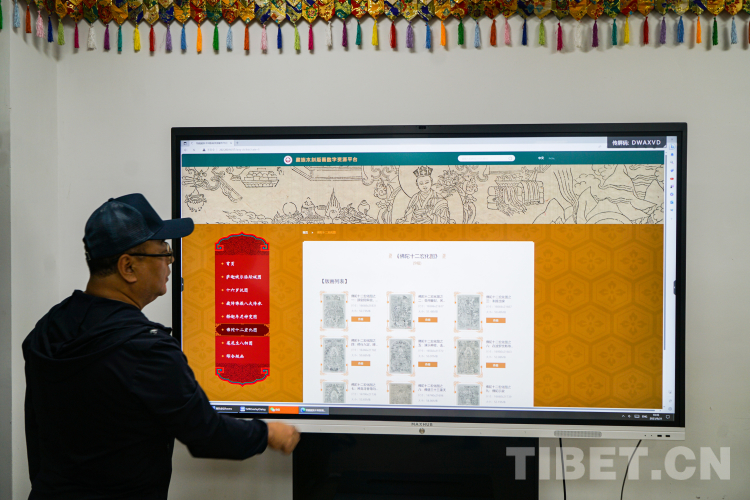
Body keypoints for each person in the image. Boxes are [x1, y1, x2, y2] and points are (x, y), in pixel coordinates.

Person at [23, 193, 300, 500]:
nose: (170, 261)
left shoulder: (48, 328)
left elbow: (36, 433)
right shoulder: (146, 350)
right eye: (163, 252)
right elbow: (206, 433)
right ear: (128, 267)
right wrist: (268, 433)